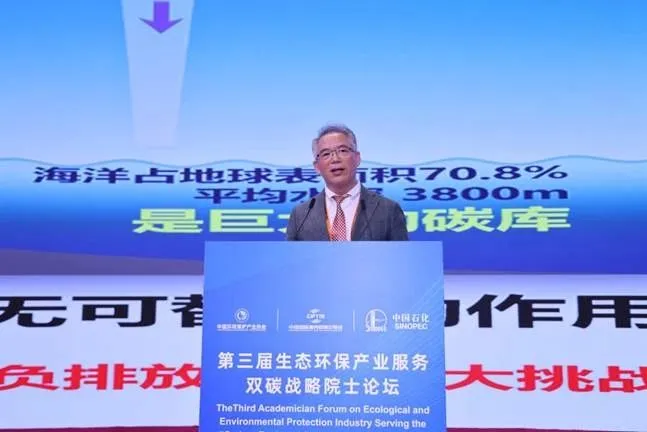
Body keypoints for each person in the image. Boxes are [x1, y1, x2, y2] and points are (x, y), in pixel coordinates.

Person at [286, 123, 409, 241]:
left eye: (343, 151)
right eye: (326, 154)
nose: (335, 159)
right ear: (317, 166)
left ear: (357, 158)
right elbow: (290, 255)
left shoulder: (388, 210)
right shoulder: (300, 215)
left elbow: (400, 254)